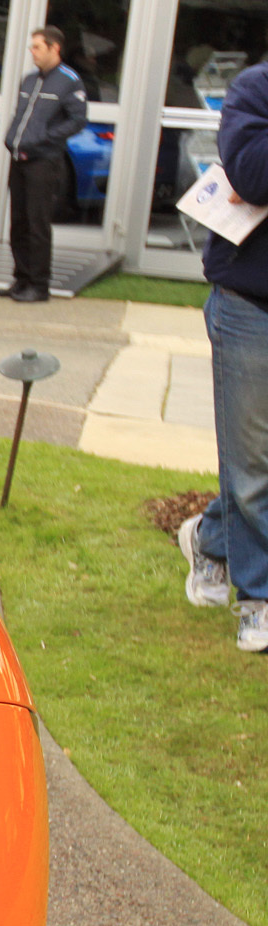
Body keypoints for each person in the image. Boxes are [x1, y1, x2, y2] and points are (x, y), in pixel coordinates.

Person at [179, 58, 268, 652]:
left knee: (253, 465)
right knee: (253, 464)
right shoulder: (255, 89)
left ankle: (209, 539)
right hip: (250, 304)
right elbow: (254, 177)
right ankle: (258, 599)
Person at [0, 27, 87, 303]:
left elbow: (77, 120)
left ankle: (39, 284)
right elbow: (20, 115)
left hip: (44, 161)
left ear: (54, 48)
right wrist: (12, 138)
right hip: (19, 158)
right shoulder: (29, 80)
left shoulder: (69, 81)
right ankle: (21, 278)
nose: (32, 52)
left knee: (38, 223)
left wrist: (45, 138)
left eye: (37, 47)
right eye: (32, 47)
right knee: (19, 222)